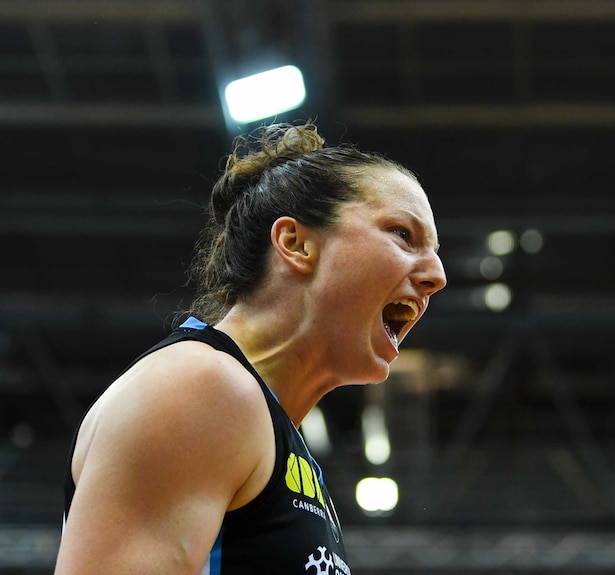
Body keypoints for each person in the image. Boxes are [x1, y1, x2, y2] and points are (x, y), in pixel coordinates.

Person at [54, 121, 447, 574]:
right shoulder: (200, 387)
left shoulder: (275, 439)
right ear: (296, 244)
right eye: (402, 234)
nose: (437, 276)